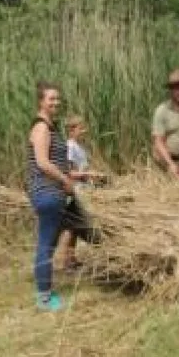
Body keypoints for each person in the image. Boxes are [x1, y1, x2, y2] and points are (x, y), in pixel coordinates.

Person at [27, 82, 99, 310]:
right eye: (51, 99)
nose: (56, 102)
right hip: (47, 193)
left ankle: (119, 262)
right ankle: (44, 299)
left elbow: (56, 161)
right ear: (41, 101)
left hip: (58, 194)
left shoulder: (51, 127)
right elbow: (43, 163)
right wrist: (66, 180)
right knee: (46, 244)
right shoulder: (40, 128)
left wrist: (69, 179)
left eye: (58, 98)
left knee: (88, 228)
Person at [58, 116, 107, 272]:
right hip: (74, 191)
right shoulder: (70, 147)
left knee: (74, 227)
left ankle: (71, 260)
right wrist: (90, 174)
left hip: (82, 190)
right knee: (71, 227)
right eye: (81, 128)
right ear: (72, 130)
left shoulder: (79, 147)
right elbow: (69, 172)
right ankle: (66, 262)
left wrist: (92, 176)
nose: (84, 131)